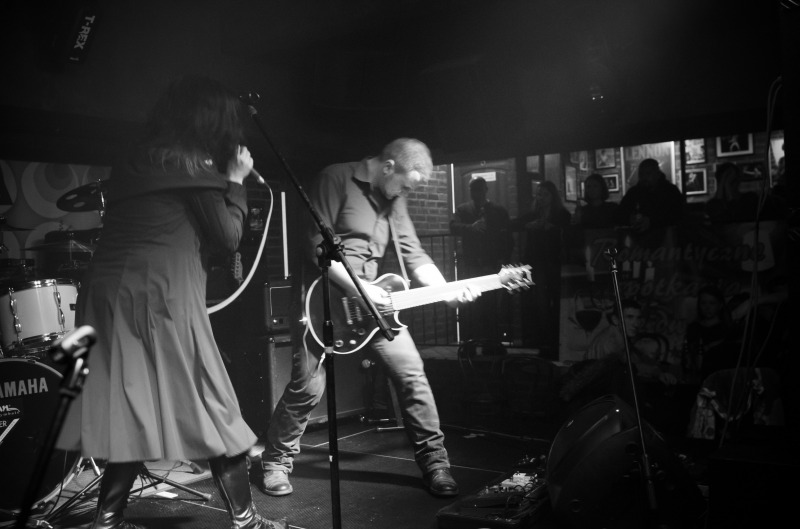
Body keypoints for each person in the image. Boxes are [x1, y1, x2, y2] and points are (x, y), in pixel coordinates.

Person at [56, 76, 284, 529]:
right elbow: (227, 238)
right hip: (159, 294)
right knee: (212, 398)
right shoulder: (194, 166)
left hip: (108, 297)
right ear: (212, 122)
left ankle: (107, 521)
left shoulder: (138, 158)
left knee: (131, 407)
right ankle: (246, 521)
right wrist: (236, 182)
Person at [260, 138, 479, 499]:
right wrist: (361, 288)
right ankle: (275, 462)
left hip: (373, 306)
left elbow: (414, 254)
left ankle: (436, 464)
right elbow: (314, 246)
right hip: (322, 301)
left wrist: (446, 289)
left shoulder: (394, 198)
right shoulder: (334, 179)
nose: (406, 192)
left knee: (412, 374)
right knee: (307, 387)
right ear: (388, 167)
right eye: (406, 185)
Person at [449, 176, 512, 342]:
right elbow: (453, 227)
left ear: (485, 190)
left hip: (491, 262)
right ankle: (476, 342)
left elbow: (507, 237)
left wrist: (503, 259)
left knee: (490, 304)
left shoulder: (497, 210)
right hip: (473, 263)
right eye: (474, 190)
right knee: (473, 304)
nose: (476, 193)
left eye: (479, 189)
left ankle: (489, 342)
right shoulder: (464, 209)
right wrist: (471, 228)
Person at [511, 180, 570, 355]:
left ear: (552, 196)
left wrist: (550, 227)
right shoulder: (533, 214)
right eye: (538, 194)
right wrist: (527, 225)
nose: (541, 198)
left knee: (554, 299)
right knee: (538, 301)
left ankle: (555, 338)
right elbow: (513, 223)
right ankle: (541, 338)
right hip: (535, 261)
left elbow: (567, 227)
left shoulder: (560, 214)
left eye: (544, 194)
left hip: (553, 260)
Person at [615, 158, 685, 247]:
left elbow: (678, 215)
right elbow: (619, 214)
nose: (644, 177)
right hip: (639, 244)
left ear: (657, 174)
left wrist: (652, 221)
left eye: (648, 173)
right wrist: (630, 218)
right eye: (641, 174)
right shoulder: (633, 192)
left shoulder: (670, 191)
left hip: (665, 244)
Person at [705, 162, 786, 222]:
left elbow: (738, 217)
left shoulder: (750, 199)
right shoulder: (712, 205)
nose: (729, 184)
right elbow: (718, 219)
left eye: (732, 180)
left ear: (738, 180)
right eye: (726, 180)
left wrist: (725, 185)